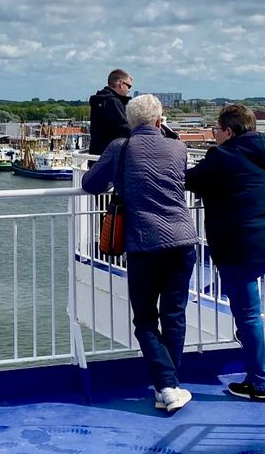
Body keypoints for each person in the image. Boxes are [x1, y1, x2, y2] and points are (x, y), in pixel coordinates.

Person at [82, 94, 198, 412]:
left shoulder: (121, 147)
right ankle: (169, 385)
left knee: (145, 318)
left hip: (145, 244)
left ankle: (167, 385)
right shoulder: (179, 147)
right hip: (184, 239)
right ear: (160, 120)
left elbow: (91, 183)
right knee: (174, 315)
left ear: (130, 122)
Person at [185, 103, 265, 403]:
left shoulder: (223, 155)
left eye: (216, 130)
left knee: (248, 316)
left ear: (228, 131)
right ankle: (253, 366)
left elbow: (189, 179)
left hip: (239, 245)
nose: (214, 135)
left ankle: (259, 383)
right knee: (249, 313)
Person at [88, 69, 132, 155]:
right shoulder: (112, 101)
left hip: (98, 153)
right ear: (121, 84)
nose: (129, 90)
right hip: (110, 154)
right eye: (129, 86)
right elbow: (123, 127)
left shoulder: (100, 99)